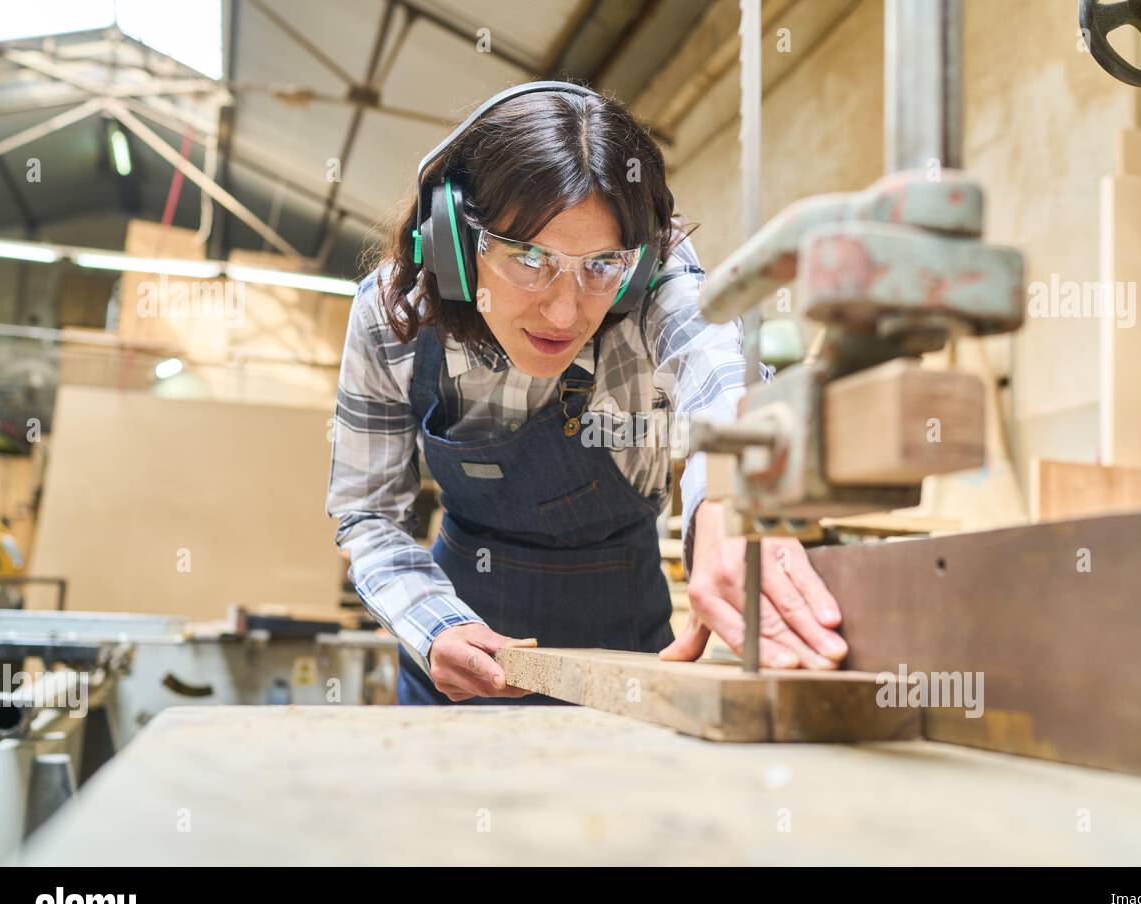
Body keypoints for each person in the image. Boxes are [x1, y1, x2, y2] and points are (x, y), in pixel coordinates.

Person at [326, 82, 847, 706]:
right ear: (455, 245)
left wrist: (729, 504)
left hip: (625, 628)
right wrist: (435, 626)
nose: (566, 311)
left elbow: (715, 366)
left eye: (601, 266)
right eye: (528, 258)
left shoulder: (652, 276)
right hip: (460, 629)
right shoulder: (392, 318)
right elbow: (369, 513)